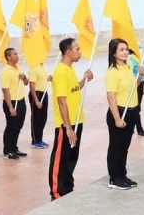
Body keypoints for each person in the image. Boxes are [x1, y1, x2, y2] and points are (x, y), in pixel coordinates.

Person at [49, 38, 93, 200]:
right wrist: (67, 128)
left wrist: (84, 79)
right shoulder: (60, 71)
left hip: (77, 120)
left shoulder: (70, 69)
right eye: (77, 49)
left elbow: (74, 89)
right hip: (66, 124)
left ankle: (67, 187)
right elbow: (61, 101)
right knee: (61, 158)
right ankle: (57, 191)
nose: (80, 52)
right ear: (68, 52)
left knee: (71, 157)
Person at [105, 39, 144, 190]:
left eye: (126, 49)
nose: (125, 52)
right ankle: (114, 178)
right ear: (113, 53)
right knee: (116, 146)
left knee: (124, 147)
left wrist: (140, 76)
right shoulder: (112, 73)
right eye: (121, 50)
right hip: (120, 112)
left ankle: (122, 175)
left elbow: (133, 87)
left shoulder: (128, 66)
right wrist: (117, 118)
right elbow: (111, 96)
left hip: (132, 111)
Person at [0, 48, 29, 160]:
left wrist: (24, 77)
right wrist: (11, 108)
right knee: (11, 126)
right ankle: (8, 150)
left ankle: (14, 148)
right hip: (11, 102)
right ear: (8, 57)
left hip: (21, 100)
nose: (17, 56)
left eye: (17, 53)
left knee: (18, 126)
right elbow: (5, 91)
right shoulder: (5, 71)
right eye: (15, 54)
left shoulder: (19, 68)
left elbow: (26, 83)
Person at [29, 63, 51, 149]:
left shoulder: (44, 66)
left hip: (44, 93)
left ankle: (40, 139)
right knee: (36, 118)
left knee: (43, 117)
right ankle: (35, 140)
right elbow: (32, 85)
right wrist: (36, 100)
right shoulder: (33, 68)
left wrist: (49, 78)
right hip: (37, 94)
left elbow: (42, 80)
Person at [128, 47, 144, 136]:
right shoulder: (130, 60)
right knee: (136, 107)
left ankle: (132, 127)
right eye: (139, 49)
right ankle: (139, 129)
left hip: (141, 83)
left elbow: (143, 72)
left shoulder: (140, 59)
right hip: (135, 84)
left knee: (137, 107)